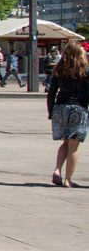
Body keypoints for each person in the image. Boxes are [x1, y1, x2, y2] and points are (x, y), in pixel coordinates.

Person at [48, 43, 88, 188]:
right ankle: (68, 180)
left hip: (60, 107)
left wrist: (51, 111)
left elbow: (52, 92)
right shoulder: (85, 70)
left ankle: (57, 169)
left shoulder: (59, 69)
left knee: (65, 142)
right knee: (74, 145)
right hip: (78, 108)